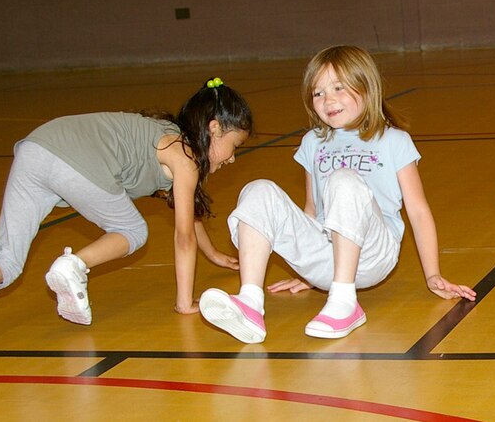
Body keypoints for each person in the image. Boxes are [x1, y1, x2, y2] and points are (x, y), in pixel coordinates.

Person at [0, 77, 253, 359]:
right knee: (132, 229)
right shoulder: (184, 156)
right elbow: (183, 236)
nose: (234, 157)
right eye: (234, 145)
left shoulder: (171, 140)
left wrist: (211, 253)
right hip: (72, 158)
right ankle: (74, 265)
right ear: (214, 129)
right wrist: (184, 303)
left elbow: (188, 214)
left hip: (36, 148)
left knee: (8, 261)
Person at [198, 45, 477, 344]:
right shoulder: (312, 142)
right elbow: (311, 210)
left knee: (343, 180)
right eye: (318, 93)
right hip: (326, 251)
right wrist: (306, 269)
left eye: (339, 88)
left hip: (372, 255)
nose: (328, 99)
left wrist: (432, 274)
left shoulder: (394, 140)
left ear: (367, 89)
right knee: (258, 189)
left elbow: (419, 212)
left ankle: (346, 301)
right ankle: (250, 302)